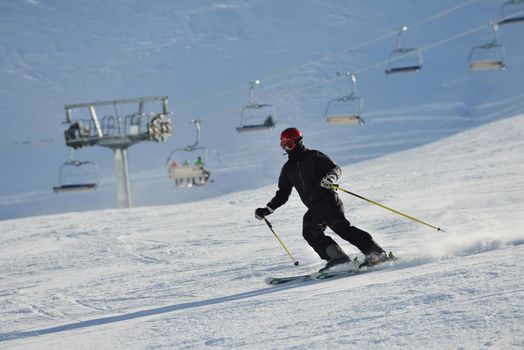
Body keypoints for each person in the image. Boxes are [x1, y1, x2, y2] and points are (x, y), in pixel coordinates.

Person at [255, 127, 387, 271]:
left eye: (290, 144)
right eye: (283, 145)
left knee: (342, 229)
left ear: (299, 142)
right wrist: (268, 209)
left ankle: (376, 253)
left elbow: (334, 168)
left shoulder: (313, 156)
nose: (287, 148)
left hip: (328, 201)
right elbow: (283, 193)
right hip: (314, 208)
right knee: (310, 232)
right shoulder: (288, 169)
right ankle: (338, 259)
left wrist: (330, 178)